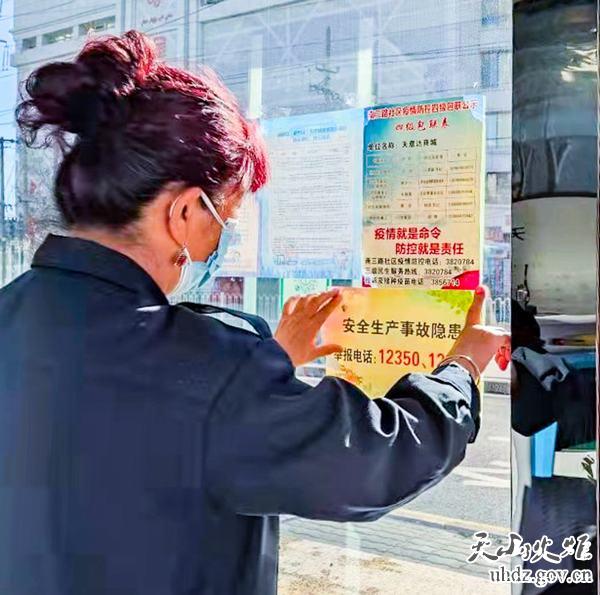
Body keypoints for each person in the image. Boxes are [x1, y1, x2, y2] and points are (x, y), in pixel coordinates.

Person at [0, 31, 509, 595]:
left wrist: (265, 366)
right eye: (228, 219)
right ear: (186, 212)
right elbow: (377, 460)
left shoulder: (12, 315)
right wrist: (463, 365)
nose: (225, 238)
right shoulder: (209, 365)